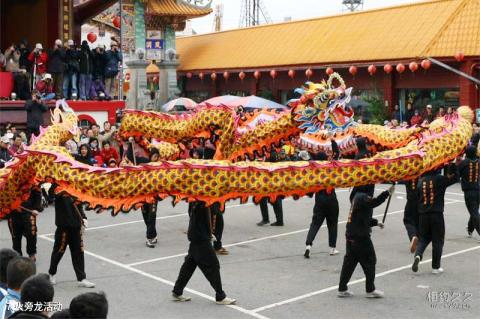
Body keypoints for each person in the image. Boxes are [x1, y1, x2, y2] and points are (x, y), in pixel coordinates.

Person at [172, 201, 236, 305]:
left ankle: (177, 291)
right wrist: (207, 234)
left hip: (196, 236)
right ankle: (220, 296)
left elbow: (202, 219)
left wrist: (209, 233)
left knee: (188, 266)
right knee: (213, 265)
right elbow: (213, 216)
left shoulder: (197, 201)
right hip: (200, 239)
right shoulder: (202, 202)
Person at [337, 185, 393, 298]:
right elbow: (374, 202)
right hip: (360, 237)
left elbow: (362, 218)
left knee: (350, 263)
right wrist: (387, 193)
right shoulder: (362, 197)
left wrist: (376, 223)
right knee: (370, 260)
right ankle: (370, 289)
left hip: (351, 234)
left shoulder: (357, 196)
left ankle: (342, 288)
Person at [411, 167, 458, 274]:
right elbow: (455, 178)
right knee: (438, 240)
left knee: (423, 238)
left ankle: (418, 254)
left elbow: (417, 198)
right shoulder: (439, 179)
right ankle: (435, 267)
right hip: (436, 214)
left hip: (423, 215)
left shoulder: (420, 181)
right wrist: (453, 165)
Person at [48, 187, 95, 288]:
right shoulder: (58, 186)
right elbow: (51, 195)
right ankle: (52, 273)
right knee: (58, 252)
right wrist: (61, 190)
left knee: (78, 252)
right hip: (63, 227)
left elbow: (79, 207)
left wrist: (84, 217)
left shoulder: (76, 187)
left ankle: (81, 278)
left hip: (76, 227)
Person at [304, 152, 339, 258]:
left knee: (315, 224)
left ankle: (308, 246)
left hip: (319, 199)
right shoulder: (330, 168)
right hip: (331, 200)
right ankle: (332, 248)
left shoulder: (314, 171)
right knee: (332, 224)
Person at [8, 186, 43, 260]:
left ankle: (31, 253)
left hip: (28, 212)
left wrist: (36, 208)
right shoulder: (9, 184)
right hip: (13, 213)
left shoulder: (32, 182)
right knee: (15, 235)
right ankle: (17, 255)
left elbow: (38, 195)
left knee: (31, 233)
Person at [457, 146, 480, 239]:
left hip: (469, 191)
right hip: (478, 189)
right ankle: (470, 229)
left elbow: (457, 174)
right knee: (474, 211)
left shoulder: (464, 163)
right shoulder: (478, 162)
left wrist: (455, 163)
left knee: (474, 212)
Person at [399, 177, 420, 252]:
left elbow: (400, 177)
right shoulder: (422, 170)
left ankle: (413, 236)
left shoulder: (408, 171)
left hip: (411, 201)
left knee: (408, 220)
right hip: (421, 201)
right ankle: (418, 237)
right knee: (418, 220)